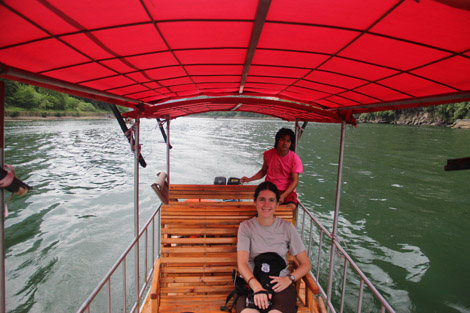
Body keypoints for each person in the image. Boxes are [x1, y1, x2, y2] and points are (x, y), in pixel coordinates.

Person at [236, 181, 311, 313]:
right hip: (252, 284)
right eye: (262, 199)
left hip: (280, 286)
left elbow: (305, 264)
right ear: (255, 202)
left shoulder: (287, 228)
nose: (266, 205)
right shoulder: (246, 227)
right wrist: (256, 287)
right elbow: (242, 263)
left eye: (271, 200)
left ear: (277, 204)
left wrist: (289, 279)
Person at [241, 128, 302, 210]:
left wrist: (283, 195)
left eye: (288, 141)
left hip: (287, 191)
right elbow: (263, 171)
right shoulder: (268, 154)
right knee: (263, 206)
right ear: (277, 141)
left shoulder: (295, 159)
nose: (285, 143)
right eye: (283, 140)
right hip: (270, 188)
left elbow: (295, 181)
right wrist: (249, 179)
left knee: (291, 207)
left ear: (291, 143)